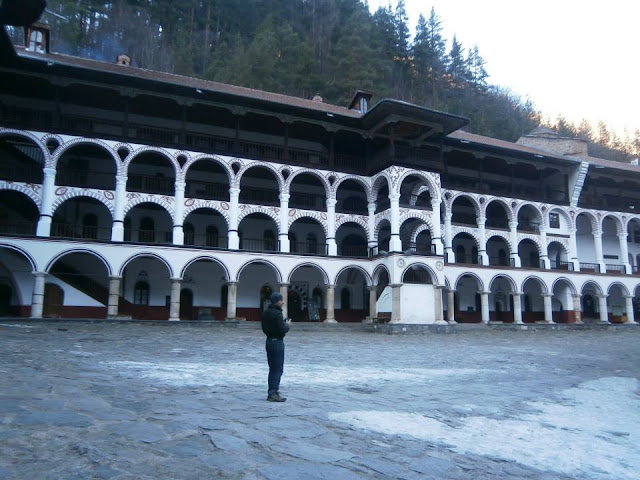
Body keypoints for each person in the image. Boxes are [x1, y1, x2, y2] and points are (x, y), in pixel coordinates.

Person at [260, 292, 290, 402]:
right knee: (277, 369)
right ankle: (273, 393)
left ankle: (271, 391)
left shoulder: (265, 313)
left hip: (269, 341)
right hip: (277, 342)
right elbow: (282, 329)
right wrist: (287, 325)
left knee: (272, 368)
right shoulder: (277, 314)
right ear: (278, 301)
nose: (283, 302)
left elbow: (265, 328)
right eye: (281, 300)